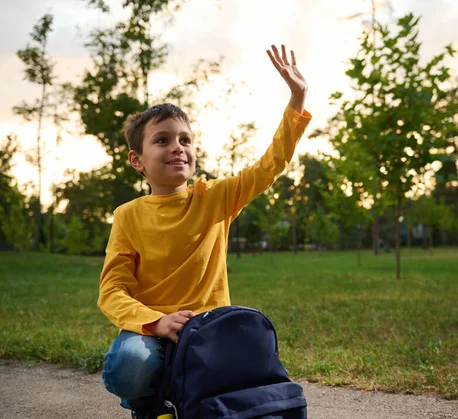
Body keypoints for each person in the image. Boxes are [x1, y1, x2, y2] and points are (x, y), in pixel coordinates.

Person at [98, 44, 311, 419]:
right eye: (162, 140)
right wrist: (156, 322)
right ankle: (148, 408)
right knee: (130, 365)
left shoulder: (216, 197)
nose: (177, 148)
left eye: (185, 139)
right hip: (152, 330)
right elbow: (112, 290)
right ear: (137, 160)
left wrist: (297, 98)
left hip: (210, 329)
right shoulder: (128, 215)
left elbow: (269, 166)